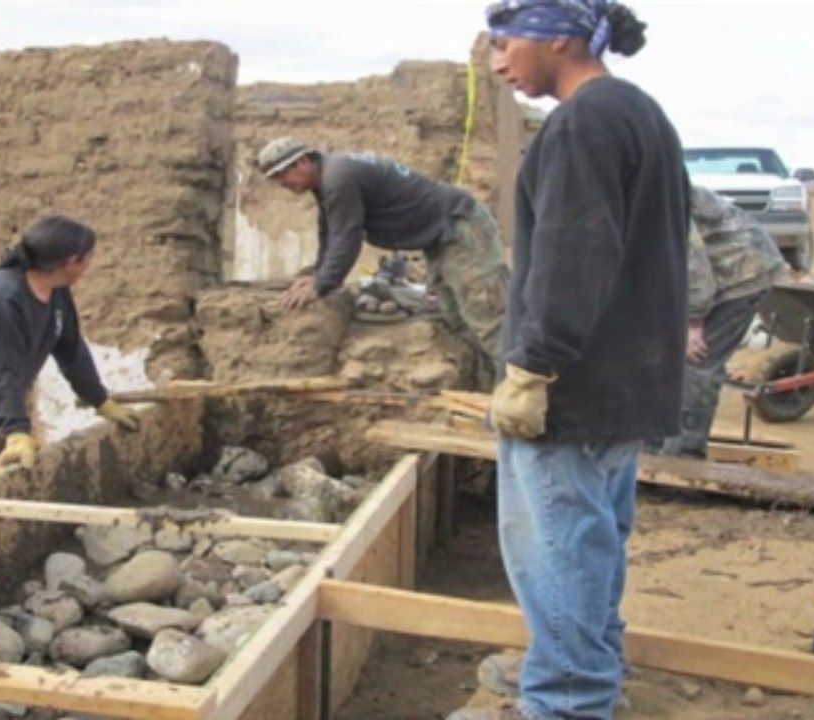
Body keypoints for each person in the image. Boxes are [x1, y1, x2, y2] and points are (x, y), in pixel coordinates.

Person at [451, 2, 689, 719]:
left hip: (573, 387)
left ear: (557, 36)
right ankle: (586, 667)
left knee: (556, 549)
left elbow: (569, 254)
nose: (496, 64)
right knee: (592, 542)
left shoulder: (583, 121)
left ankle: (565, 700)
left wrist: (530, 370)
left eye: (503, 44)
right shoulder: (637, 111)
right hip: (624, 380)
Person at [0, 214, 141, 488]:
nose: (89, 267)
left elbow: (71, 350)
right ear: (71, 262)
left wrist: (100, 400)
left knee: (1, 488)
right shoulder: (2, 300)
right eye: (87, 259)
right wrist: (16, 431)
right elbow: (1, 371)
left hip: (4, 398)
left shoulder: (56, 292)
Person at [257, 136, 508, 384]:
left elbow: (347, 237)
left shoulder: (338, 177)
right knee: (456, 318)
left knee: (488, 320)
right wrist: (317, 274)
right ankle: (488, 393)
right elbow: (330, 231)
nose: (281, 183)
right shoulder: (328, 179)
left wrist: (322, 284)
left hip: (460, 228)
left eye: (281, 175)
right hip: (441, 237)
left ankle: (525, 406)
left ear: (301, 161)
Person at [659, 185, 788, 459]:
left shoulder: (652, 195)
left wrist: (693, 322)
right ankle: (654, 443)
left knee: (697, 360)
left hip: (742, 268)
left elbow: (692, 262)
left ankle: (684, 454)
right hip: (711, 270)